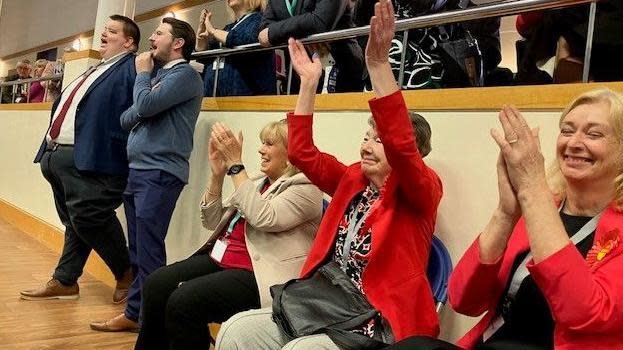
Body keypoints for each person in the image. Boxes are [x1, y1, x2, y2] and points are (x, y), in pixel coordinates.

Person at [216, 1, 443, 349]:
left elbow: (401, 147)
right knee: (236, 331)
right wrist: (308, 85)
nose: (367, 145)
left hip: (378, 319)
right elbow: (302, 153)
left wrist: (379, 67)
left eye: (379, 139)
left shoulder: (421, 190)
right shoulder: (354, 179)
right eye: (367, 136)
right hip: (326, 304)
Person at [386, 88, 623, 350]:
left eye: (594, 134)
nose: (574, 142)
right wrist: (505, 214)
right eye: (567, 130)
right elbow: (464, 299)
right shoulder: (544, 208)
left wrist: (533, 187)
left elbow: (584, 313)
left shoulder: (539, 204)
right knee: (415, 346)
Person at [134, 119, 323, 349]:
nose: (261, 149)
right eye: (262, 143)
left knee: (183, 302)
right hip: (223, 258)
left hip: (258, 273)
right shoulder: (256, 180)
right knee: (156, 284)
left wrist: (235, 165)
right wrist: (217, 176)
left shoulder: (307, 188)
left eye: (269, 144)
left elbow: (264, 217)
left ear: (290, 152)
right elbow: (212, 220)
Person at [89, 17, 204, 333]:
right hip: (139, 170)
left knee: (150, 251)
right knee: (138, 250)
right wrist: (145, 99)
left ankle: (152, 322)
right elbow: (128, 117)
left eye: (159, 33)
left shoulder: (184, 76)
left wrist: (142, 80)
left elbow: (146, 105)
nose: (151, 38)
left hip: (161, 173)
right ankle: (136, 314)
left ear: (177, 43)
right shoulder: (159, 76)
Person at [21, 15, 139, 305]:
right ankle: (65, 280)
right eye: (104, 29)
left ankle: (126, 273)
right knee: (76, 223)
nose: (103, 34)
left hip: (95, 162)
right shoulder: (96, 68)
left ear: (129, 42)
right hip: (57, 156)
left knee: (89, 217)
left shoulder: (133, 67)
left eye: (112, 31)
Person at [259, 0, 364, 93]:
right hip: (297, 75)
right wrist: (305, 25)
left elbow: (320, 21)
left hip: (339, 70)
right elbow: (264, 29)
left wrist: (274, 32)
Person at [196, 0, 276, 96]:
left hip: (250, 99)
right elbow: (204, 54)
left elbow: (245, 38)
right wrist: (201, 37)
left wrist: (213, 31)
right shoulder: (228, 28)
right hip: (215, 100)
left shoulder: (261, 20)